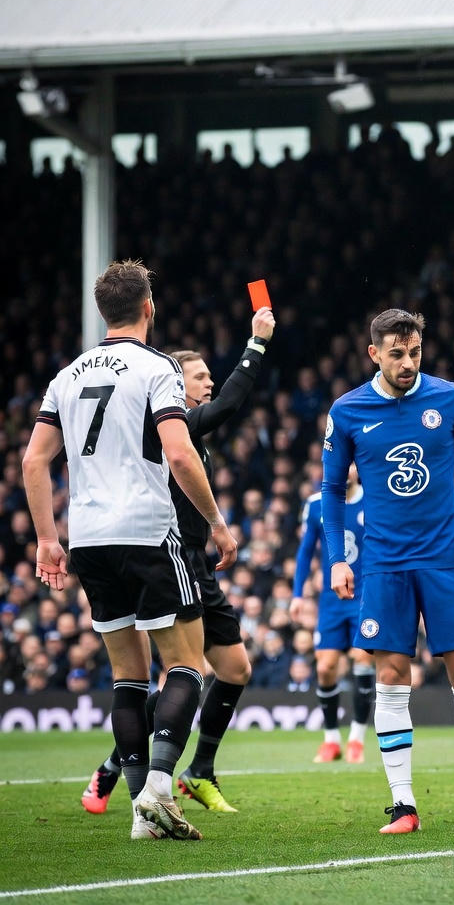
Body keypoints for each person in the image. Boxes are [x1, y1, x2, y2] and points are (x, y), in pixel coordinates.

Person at [22, 259, 237, 842]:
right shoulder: (157, 367)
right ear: (149, 308)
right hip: (146, 529)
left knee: (127, 679)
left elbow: (34, 460)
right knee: (188, 664)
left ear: (102, 311)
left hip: (88, 538)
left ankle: (144, 816)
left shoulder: (67, 374)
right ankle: (159, 791)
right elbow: (180, 449)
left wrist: (48, 539)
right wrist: (217, 522)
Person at [321, 308, 454, 834]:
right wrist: (338, 557)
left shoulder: (450, 398)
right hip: (383, 563)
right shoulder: (348, 410)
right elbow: (333, 491)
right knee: (389, 678)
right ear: (374, 353)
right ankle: (404, 804)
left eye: (415, 353)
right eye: (397, 354)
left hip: (443, 558)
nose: (408, 363)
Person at [82, 305, 276, 816]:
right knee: (178, 673)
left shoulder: (187, 428)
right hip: (170, 557)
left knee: (234, 669)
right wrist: (256, 344)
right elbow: (231, 403)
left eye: (211, 375)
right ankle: (117, 768)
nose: (210, 383)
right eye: (201, 376)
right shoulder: (175, 421)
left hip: (196, 564)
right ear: (175, 382)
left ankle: (199, 770)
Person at [290, 464, 375, 764]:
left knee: (362, 659)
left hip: (366, 596)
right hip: (331, 599)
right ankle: (331, 740)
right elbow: (304, 552)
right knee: (325, 667)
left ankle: (356, 739)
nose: (346, 469)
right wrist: (298, 595)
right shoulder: (316, 505)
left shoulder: (374, 499)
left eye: (351, 463)